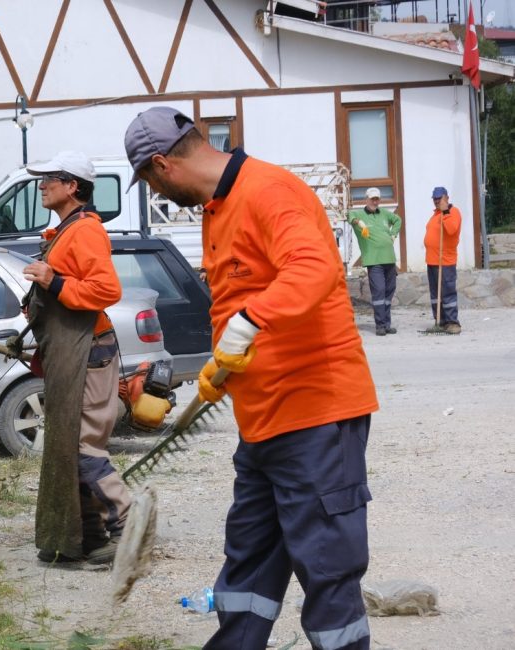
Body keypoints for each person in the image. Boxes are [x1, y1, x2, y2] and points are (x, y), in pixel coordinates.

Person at [125, 107, 378, 650]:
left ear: (163, 165)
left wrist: (249, 322)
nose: (158, 195)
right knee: (248, 562)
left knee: (326, 566)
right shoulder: (218, 209)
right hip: (263, 422)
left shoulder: (268, 191)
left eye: (149, 182)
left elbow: (314, 269)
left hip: (316, 414)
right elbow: (245, 296)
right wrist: (221, 369)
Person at [21, 151, 130, 566]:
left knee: (82, 447)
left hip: (89, 352)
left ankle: (128, 527)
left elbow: (106, 291)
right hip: (73, 351)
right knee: (69, 446)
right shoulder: (65, 230)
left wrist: (54, 280)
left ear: (73, 186)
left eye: (51, 178)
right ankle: (90, 537)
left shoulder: (84, 231)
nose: (42, 184)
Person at [349, 187, 402, 335]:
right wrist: (359, 222)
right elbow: (349, 214)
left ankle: (386, 324)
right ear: (366, 199)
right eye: (372, 199)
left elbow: (397, 220)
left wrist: (393, 234)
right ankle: (380, 325)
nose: (374, 201)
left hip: (389, 260)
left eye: (377, 199)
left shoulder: (384, 214)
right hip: (374, 261)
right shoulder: (359, 213)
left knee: (388, 292)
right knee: (379, 292)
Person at [424, 186, 462, 334]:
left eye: (439, 198)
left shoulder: (453, 212)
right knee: (435, 295)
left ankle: (453, 322)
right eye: (435, 198)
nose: (437, 201)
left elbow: (451, 229)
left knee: (448, 293)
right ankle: (440, 320)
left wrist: (445, 211)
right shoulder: (435, 215)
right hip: (432, 261)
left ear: (446, 198)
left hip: (445, 261)